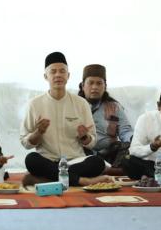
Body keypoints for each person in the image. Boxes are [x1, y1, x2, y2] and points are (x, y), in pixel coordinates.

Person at [20, 52, 108, 186]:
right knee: (31, 160)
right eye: (53, 71)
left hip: (75, 160)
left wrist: (84, 137)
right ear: (46, 76)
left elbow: (92, 142)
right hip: (47, 159)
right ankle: (82, 180)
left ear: (68, 76)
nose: (58, 75)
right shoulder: (34, 104)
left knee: (97, 163)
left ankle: (49, 178)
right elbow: (25, 143)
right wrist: (38, 133)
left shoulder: (81, 103)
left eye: (62, 71)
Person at [78, 64, 133, 174]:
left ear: (105, 86)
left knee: (130, 146)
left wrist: (133, 139)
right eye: (91, 83)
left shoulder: (114, 106)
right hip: (83, 153)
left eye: (99, 83)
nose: (95, 87)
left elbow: (126, 131)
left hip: (110, 154)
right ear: (83, 86)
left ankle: (108, 170)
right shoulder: (74, 105)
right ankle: (111, 171)